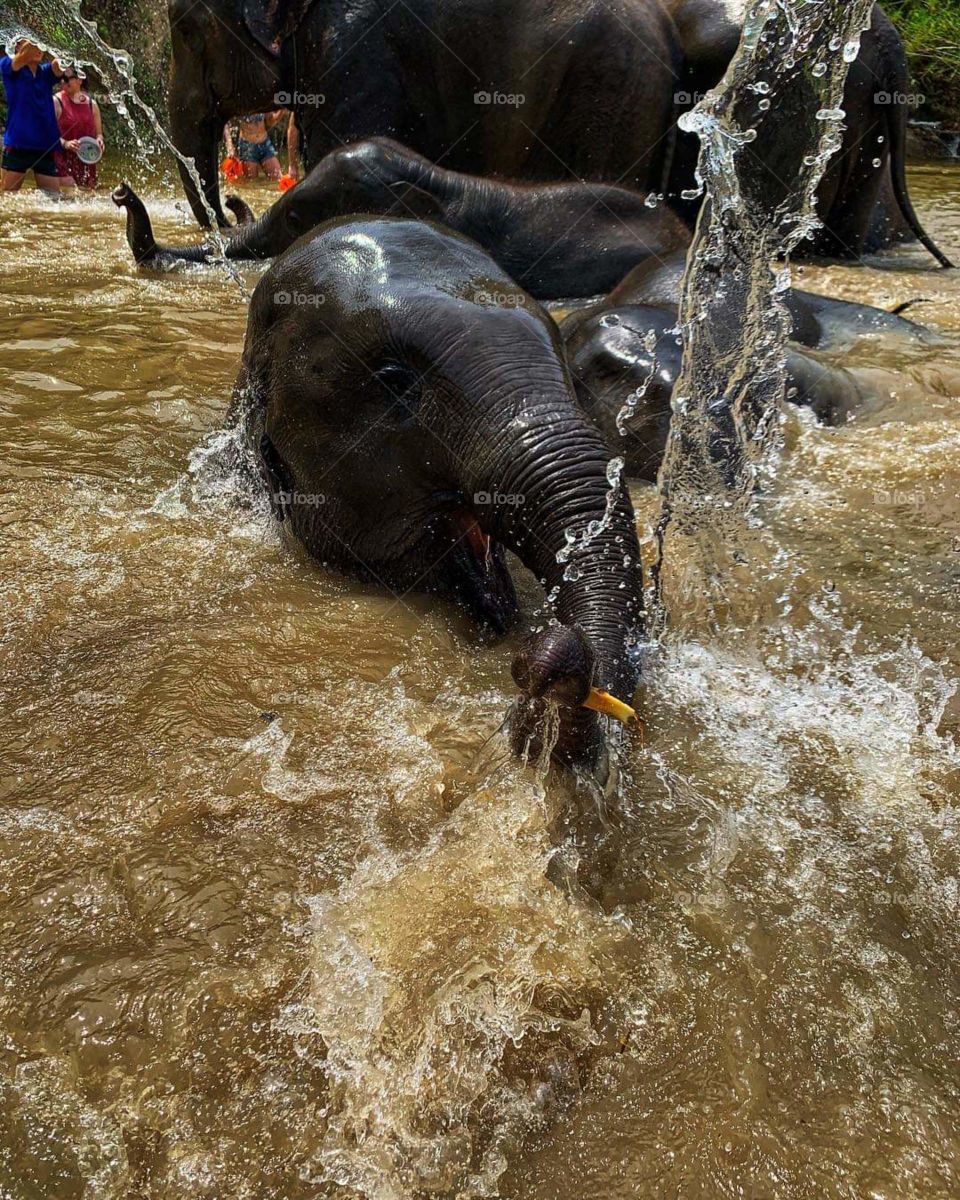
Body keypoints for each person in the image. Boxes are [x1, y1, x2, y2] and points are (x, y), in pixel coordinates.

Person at [1, 39, 65, 194]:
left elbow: (60, 66)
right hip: (18, 144)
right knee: (6, 197)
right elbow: (19, 60)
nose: (39, 49)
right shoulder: (8, 65)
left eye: (41, 46)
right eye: (32, 44)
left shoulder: (45, 72)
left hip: (45, 144)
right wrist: (33, 42)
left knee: (53, 201)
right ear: (17, 47)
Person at [53, 66, 103, 192]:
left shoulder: (93, 105)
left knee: (86, 200)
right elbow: (46, 135)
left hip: (87, 160)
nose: (63, 82)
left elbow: (99, 135)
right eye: (61, 78)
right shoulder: (56, 101)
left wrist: (100, 141)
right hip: (62, 161)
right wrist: (66, 143)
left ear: (80, 79)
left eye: (67, 78)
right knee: (68, 194)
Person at [224, 110, 297, 182]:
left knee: (278, 179)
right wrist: (230, 146)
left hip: (265, 144)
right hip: (247, 147)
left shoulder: (262, 100)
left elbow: (270, 121)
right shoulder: (241, 100)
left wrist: (281, 111)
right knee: (252, 184)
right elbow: (224, 121)